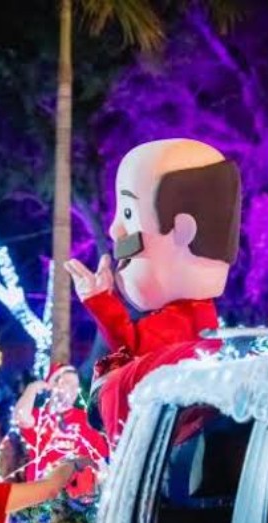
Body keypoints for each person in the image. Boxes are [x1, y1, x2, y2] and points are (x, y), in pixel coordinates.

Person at [64, 139, 242, 442]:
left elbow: (134, 349)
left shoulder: (189, 327)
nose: (115, 230)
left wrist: (102, 303)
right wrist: (102, 301)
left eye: (128, 213)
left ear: (183, 229)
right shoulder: (186, 318)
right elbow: (135, 345)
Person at [7, 363, 109, 487]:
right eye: (68, 383)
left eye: (76, 385)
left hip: (75, 494)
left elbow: (101, 460)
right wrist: (32, 388)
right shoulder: (40, 417)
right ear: (52, 385)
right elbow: (20, 417)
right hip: (41, 491)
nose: (73, 389)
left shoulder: (85, 419)